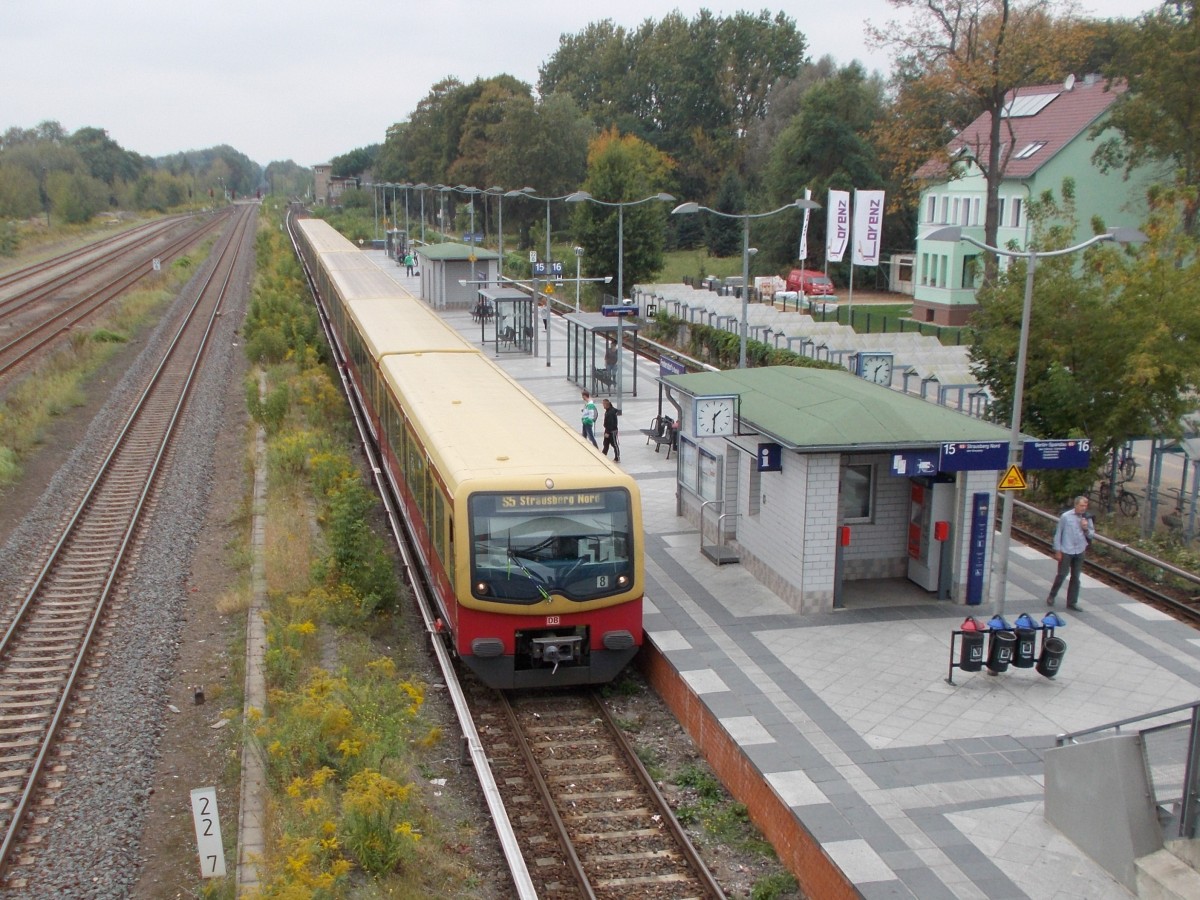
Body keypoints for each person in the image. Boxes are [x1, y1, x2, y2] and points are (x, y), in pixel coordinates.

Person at [1047, 496, 1094, 610]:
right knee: (1062, 574)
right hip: (1066, 550)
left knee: (1076, 577)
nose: (1083, 508)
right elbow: (1058, 533)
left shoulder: (1087, 518)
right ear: (1076, 505)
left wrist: (1086, 528)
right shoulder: (1066, 517)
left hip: (1080, 549)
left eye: (1085, 506)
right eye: (1081, 506)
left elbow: (1091, 535)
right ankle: (1052, 595)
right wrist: (1057, 550)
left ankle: (1072, 602)